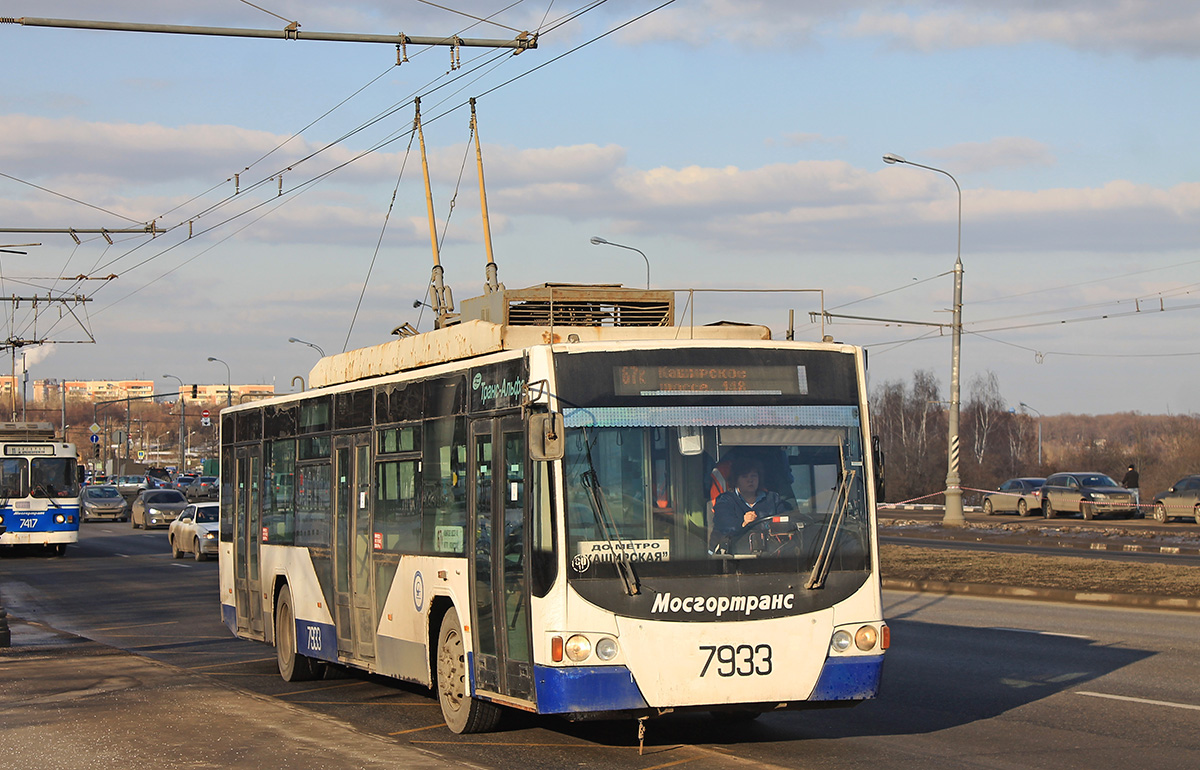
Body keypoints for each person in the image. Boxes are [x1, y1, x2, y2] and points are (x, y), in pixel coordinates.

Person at [711, 458, 792, 551]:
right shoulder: (725, 500)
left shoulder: (773, 498)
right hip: (735, 555)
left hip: (772, 554)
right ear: (736, 480)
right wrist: (744, 524)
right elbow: (725, 525)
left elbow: (787, 521)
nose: (750, 480)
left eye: (754, 476)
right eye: (744, 476)